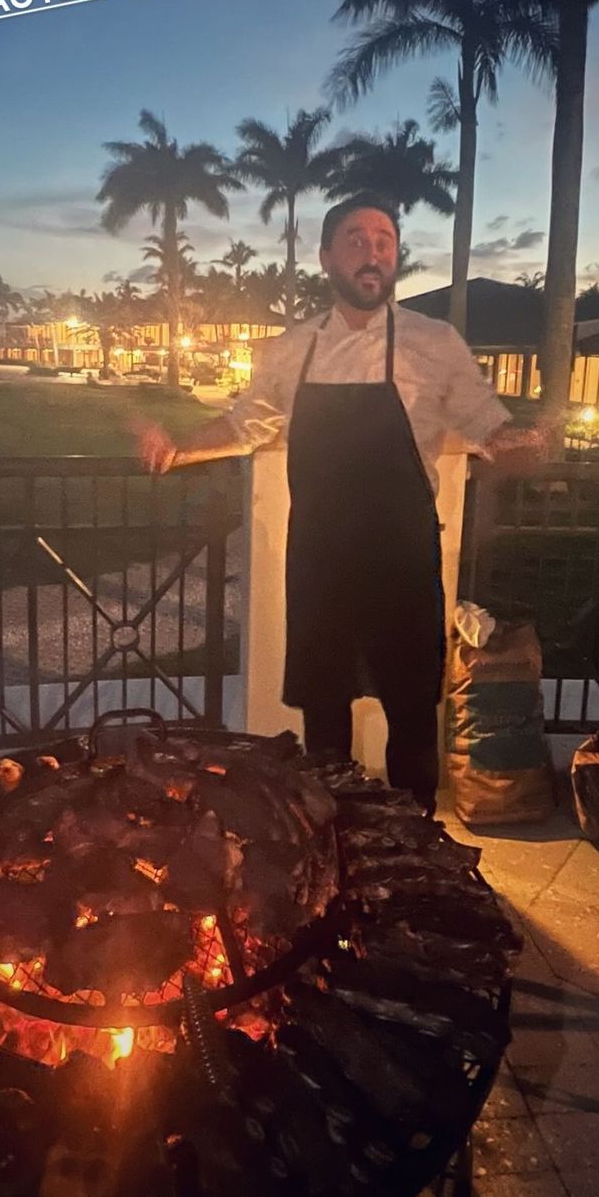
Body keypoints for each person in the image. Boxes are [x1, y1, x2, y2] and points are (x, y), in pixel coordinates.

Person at [135, 193, 545, 812]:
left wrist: (520, 445)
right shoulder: (293, 346)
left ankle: (418, 842)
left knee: (410, 708)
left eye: (384, 240)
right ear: (327, 258)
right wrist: (179, 448)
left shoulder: (434, 342)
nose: (373, 252)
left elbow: (485, 423)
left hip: (403, 554)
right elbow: (248, 422)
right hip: (320, 557)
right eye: (356, 239)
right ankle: (335, 835)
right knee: (324, 711)